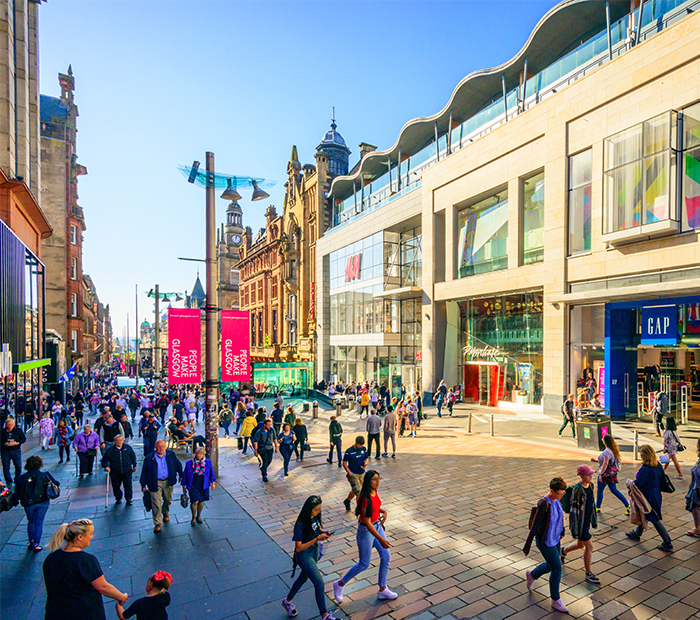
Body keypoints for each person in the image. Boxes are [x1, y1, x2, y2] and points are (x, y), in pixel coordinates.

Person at [333, 471, 397, 604]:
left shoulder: (374, 492)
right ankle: (339, 584)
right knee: (364, 563)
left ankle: (382, 589)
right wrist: (380, 539)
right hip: (366, 531)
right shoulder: (365, 498)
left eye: (379, 479)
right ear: (369, 481)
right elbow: (367, 522)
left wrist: (384, 512)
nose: (377, 482)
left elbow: (375, 507)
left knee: (386, 556)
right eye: (374, 479)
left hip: (377, 526)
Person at [44, 518, 128, 619]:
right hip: (83, 612)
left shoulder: (51, 558)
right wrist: (121, 597)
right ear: (80, 537)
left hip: (56, 612)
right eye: (90, 534)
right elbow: (103, 587)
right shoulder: (85, 561)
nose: (92, 537)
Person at [282, 496, 337, 620]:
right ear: (309, 509)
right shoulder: (301, 524)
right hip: (305, 555)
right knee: (319, 583)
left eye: (319, 510)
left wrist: (323, 532)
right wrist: (317, 539)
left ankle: (287, 601)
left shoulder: (314, 517)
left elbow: (316, 529)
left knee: (303, 578)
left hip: (314, 551)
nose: (318, 512)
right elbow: (298, 548)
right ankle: (325, 616)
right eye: (316, 510)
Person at [523, 477, 568, 614]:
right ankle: (555, 600)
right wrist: (527, 546)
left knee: (551, 565)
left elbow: (559, 517)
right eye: (559, 494)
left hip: (555, 538)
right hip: (545, 541)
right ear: (552, 491)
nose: (561, 496)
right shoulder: (544, 503)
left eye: (562, 494)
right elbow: (535, 526)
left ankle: (532, 575)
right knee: (557, 569)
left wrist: (562, 530)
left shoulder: (557, 500)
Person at [625, 445, 674, 551]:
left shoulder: (645, 469)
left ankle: (667, 542)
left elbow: (638, 484)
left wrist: (631, 482)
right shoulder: (658, 465)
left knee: (653, 518)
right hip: (656, 494)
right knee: (647, 514)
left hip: (647, 496)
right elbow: (662, 478)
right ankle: (637, 533)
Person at [560, 465, 599, 584]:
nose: (591, 476)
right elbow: (574, 511)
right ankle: (588, 573)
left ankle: (562, 552)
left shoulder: (591, 486)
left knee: (580, 545)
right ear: (581, 476)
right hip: (580, 524)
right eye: (588, 474)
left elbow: (591, 504)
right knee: (589, 547)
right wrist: (575, 529)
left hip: (586, 521)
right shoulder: (577, 490)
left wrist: (593, 519)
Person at [12, 455, 59, 552]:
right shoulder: (44, 475)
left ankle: (31, 541)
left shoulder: (21, 478)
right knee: (39, 522)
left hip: (29, 503)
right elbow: (56, 483)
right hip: (43, 501)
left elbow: (17, 492)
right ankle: (37, 544)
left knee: (31, 521)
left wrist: (14, 500)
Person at [140, 439, 184, 533]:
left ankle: (165, 511)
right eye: (159, 447)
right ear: (155, 447)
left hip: (168, 481)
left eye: (163, 446)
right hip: (155, 482)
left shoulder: (170, 454)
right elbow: (144, 472)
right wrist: (143, 485)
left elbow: (178, 465)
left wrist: (181, 475)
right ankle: (157, 523)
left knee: (168, 499)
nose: (161, 448)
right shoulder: (149, 458)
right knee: (156, 503)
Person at [590, 434, 629, 514]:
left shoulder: (606, 451)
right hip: (611, 474)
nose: (602, 440)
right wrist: (596, 461)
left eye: (603, 439)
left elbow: (605, 463)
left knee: (600, 490)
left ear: (605, 441)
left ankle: (597, 507)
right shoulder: (613, 450)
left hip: (605, 474)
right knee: (614, 490)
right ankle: (627, 505)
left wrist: (601, 474)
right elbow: (609, 462)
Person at [182, 447, 216, 525]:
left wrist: (213, 482)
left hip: (203, 484)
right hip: (193, 484)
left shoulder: (208, 462)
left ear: (203, 454)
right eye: (197, 453)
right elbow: (185, 475)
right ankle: (193, 517)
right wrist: (183, 486)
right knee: (194, 501)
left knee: (201, 501)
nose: (198, 455)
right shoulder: (189, 463)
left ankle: (199, 515)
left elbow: (211, 472)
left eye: (200, 454)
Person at [101, 435, 137, 505]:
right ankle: (118, 498)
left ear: (123, 441)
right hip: (115, 471)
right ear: (114, 441)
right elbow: (104, 460)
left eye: (120, 440)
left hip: (127, 470)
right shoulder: (111, 450)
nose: (119, 442)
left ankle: (128, 498)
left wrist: (134, 465)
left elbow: (133, 457)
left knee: (128, 485)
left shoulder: (127, 448)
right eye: (117, 440)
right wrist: (106, 467)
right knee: (116, 486)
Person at [342, 436, 368, 511]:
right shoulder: (349, 451)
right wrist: (349, 473)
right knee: (359, 492)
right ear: (356, 443)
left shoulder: (363, 449)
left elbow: (366, 458)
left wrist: (365, 463)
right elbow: (344, 463)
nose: (360, 446)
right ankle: (360, 509)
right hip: (354, 473)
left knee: (358, 489)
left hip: (362, 473)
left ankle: (347, 500)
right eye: (359, 445)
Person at [1, 416, 26, 485]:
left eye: (11, 424)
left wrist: (17, 443)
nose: (10, 426)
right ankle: (8, 481)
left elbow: (23, 439)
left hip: (16, 450)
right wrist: (4, 444)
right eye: (8, 425)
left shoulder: (18, 431)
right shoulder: (2, 432)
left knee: (18, 466)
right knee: (6, 467)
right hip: (5, 451)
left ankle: (17, 479)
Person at [685, 439, 700, 537]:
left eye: (697, 444)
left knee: (695, 505)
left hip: (697, 487)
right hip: (696, 485)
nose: (696, 445)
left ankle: (697, 528)